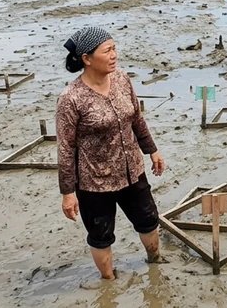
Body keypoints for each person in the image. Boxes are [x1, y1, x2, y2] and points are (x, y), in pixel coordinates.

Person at [56, 27, 167, 280]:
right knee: (101, 236)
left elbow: (137, 118)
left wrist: (152, 151)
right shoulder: (71, 99)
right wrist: (67, 193)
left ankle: (155, 262)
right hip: (95, 182)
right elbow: (65, 149)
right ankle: (109, 281)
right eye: (107, 51)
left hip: (132, 172)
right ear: (87, 58)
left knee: (149, 220)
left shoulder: (122, 79)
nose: (114, 55)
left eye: (114, 48)